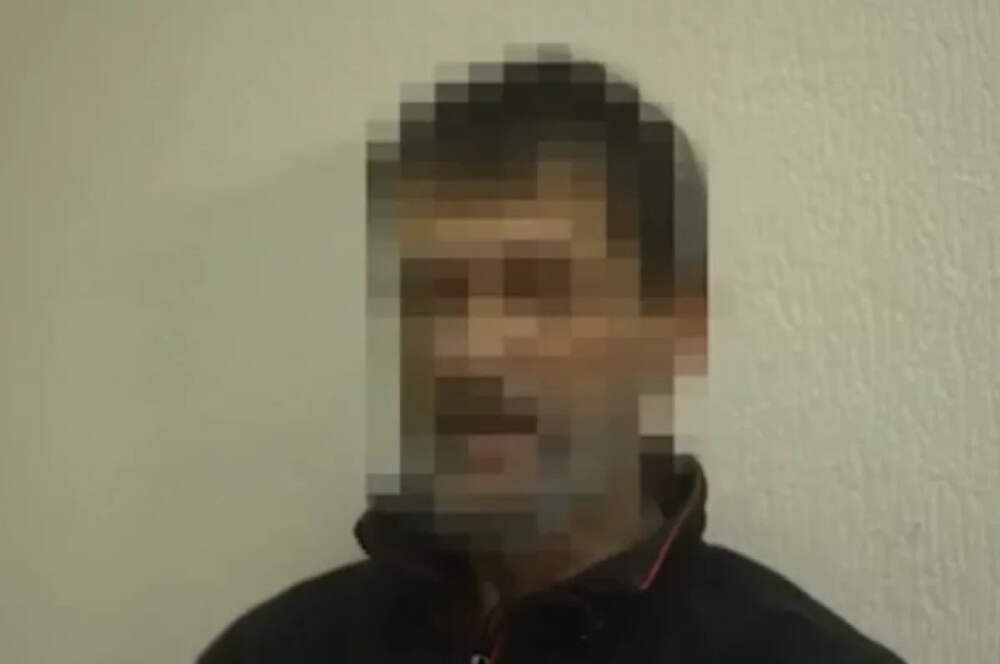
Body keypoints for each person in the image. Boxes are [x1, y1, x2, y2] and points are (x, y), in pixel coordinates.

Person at [197, 47, 904, 663]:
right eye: (436, 294)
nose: (468, 353)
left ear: (676, 328)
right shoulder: (273, 650)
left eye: (538, 290)